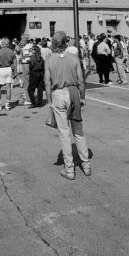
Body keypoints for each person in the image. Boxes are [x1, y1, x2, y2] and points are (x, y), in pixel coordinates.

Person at [44, 31, 90, 180]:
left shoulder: (50, 60)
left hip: (58, 93)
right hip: (73, 91)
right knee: (78, 131)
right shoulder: (74, 58)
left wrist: (49, 101)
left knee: (64, 133)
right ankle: (86, 164)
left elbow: (47, 82)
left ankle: (69, 169)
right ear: (65, 43)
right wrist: (82, 96)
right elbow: (81, 80)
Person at [0, 37, 17, 112]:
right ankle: (7, 105)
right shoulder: (11, 52)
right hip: (9, 69)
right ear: (8, 44)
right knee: (8, 87)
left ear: (2, 44)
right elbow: (15, 63)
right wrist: (15, 72)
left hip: (1, 69)